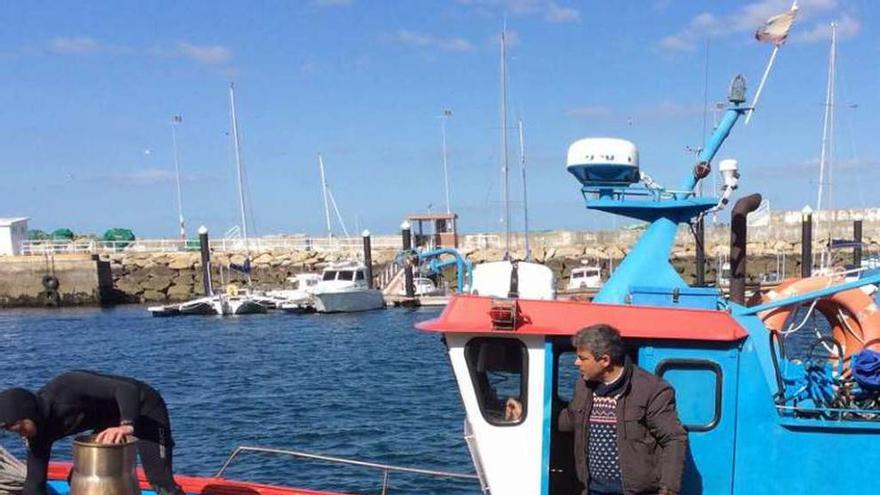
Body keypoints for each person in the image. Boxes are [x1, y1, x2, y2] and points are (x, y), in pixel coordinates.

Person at [0, 370, 185, 495]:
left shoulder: (67, 386)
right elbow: (35, 482)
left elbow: (128, 390)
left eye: (20, 427)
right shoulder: (37, 433)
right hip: (110, 420)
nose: (21, 434)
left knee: (160, 481)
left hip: (144, 407)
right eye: (13, 431)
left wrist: (126, 424)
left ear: (27, 413)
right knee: (78, 479)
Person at [558, 324, 687, 495]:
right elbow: (569, 419)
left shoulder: (651, 390)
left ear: (605, 360)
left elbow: (674, 439)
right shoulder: (583, 386)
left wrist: (669, 489)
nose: (576, 363)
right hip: (593, 490)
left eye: (582, 358)